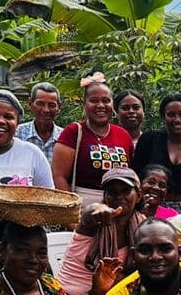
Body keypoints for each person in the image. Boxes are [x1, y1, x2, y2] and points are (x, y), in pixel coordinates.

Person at [57, 168, 146, 295]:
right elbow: (90, 213)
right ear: (105, 196)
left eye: (126, 191)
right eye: (112, 192)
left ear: (139, 195)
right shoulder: (95, 219)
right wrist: (96, 209)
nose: (119, 196)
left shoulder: (142, 226)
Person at [52, 77, 134, 205]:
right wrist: (71, 208)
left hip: (119, 205)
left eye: (106, 100)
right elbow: (58, 176)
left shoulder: (123, 135)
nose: (100, 105)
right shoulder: (73, 132)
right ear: (85, 104)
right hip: (82, 206)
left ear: (112, 104)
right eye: (94, 100)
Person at [0, 89, 54, 188]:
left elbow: (48, 195)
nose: (1, 121)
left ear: (17, 123)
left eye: (8, 117)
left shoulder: (33, 154)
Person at [16, 81, 63, 164]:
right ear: (30, 103)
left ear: (59, 107)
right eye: (40, 104)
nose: (46, 110)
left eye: (51, 105)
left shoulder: (65, 138)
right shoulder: (17, 134)